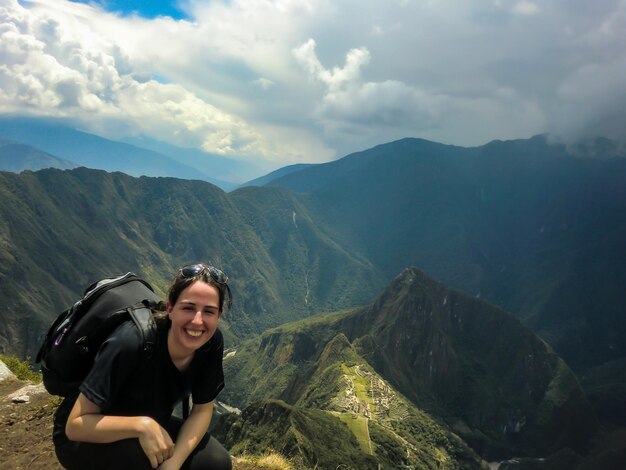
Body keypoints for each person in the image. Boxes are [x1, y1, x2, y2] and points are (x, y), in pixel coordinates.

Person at [53, 263, 233, 470]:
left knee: (216, 463)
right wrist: (142, 426)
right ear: (170, 308)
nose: (198, 321)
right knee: (144, 459)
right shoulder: (132, 343)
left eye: (209, 311)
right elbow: (75, 426)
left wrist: (173, 464)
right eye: (188, 308)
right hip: (85, 436)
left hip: (151, 423)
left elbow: (201, 410)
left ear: (218, 315)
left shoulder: (210, 343)